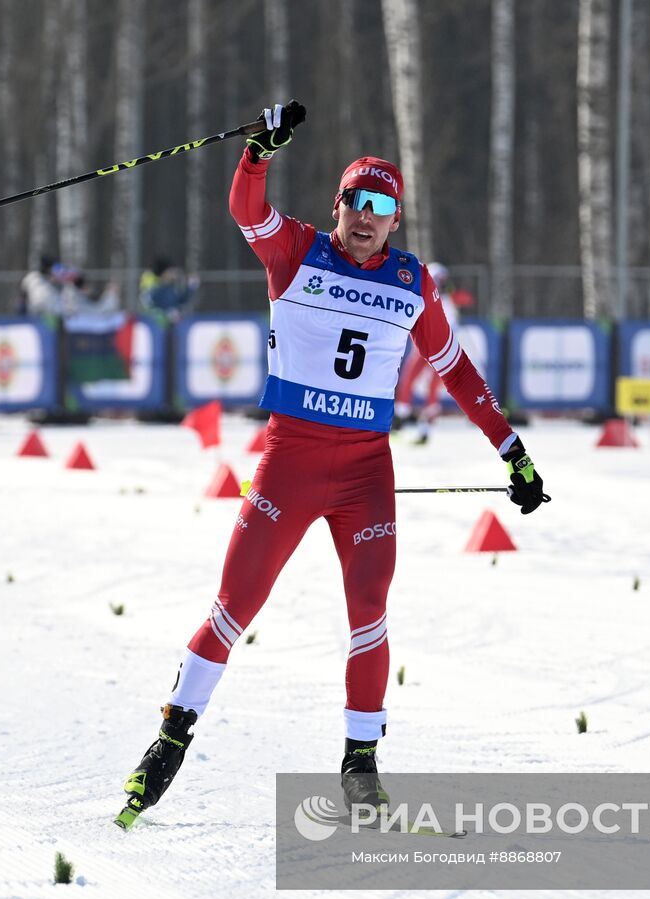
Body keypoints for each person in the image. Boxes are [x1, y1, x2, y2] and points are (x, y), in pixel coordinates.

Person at [115, 101, 551, 830]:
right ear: (338, 204)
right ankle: (170, 739)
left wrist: (513, 449)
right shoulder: (296, 251)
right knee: (234, 607)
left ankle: (360, 763)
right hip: (289, 462)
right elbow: (243, 206)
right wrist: (259, 151)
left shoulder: (413, 282)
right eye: (356, 200)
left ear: (396, 220)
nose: (365, 216)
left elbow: (457, 370)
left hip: (364, 476)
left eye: (382, 206)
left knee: (370, 614)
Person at [392, 261, 456, 444]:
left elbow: (451, 323)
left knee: (432, 386)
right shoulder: (423, 295)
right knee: (409, 379)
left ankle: (425, 427)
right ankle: (400, 419)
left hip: (440, 347)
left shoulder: (447, 300)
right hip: (424, 346)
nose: (440, 285)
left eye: (442, 281)